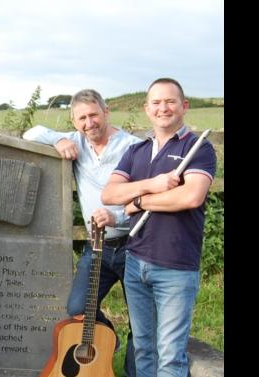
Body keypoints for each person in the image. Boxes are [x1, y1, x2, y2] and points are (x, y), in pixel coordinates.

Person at [101, 78, 216, 377]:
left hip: (175, 266)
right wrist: (154, 185)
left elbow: (191, 196)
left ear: (184, 106)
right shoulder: (136, 150)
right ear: (147, 109)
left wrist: (138, 201)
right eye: (156, 102)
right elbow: (110, 195)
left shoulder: (198, 147)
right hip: (136, 262)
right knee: (143, 348)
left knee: (169, 356)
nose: (163, 108)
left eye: (170, 101)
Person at [23, 88, 141, 376]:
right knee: (77, 306)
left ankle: (133, 371)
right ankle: (107, 339)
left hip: (133, 243)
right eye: (82, 118)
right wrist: (60, 138)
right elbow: (31, 132)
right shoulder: (76, 140)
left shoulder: (134, 147)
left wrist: (117, 215)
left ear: (106, 112)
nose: (89, 123)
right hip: (96, 245)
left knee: (141, 320)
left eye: (94, 115)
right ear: (74, 121)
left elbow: (144, 197)